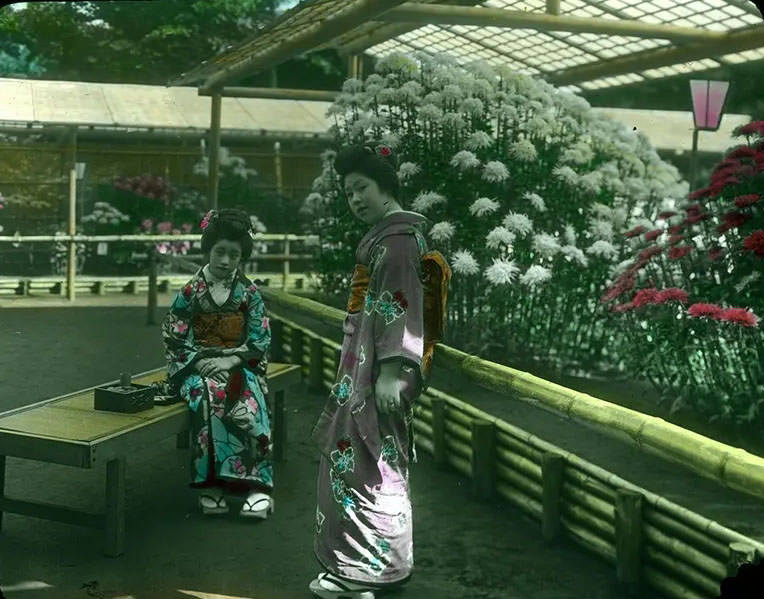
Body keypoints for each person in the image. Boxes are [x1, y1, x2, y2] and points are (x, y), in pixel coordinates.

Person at [310, 142, 449, 598]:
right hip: (368, 364)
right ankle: (364, 568)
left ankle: (367, 571)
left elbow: (401, 311)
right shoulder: (389, 238)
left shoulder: (398, 242)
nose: (355, 199)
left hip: (383, 369)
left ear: (385, 185)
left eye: (361, 188)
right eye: (348, 192)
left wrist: (391, 371)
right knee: (360, 461)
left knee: (371, 465)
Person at [161, 208, 274, 518]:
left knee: (247, 401)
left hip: (239, 364)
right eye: (220, 252)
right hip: (197, 366)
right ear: (208, 250)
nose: (225, 261)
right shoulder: (191, 291)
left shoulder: (249, 293)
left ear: (241, 257)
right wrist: (198, 363)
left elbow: (260, 339)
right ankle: (211, 485)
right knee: (206, 398)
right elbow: (174, 336)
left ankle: (257, 487)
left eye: (234, 255)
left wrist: (231, 361)